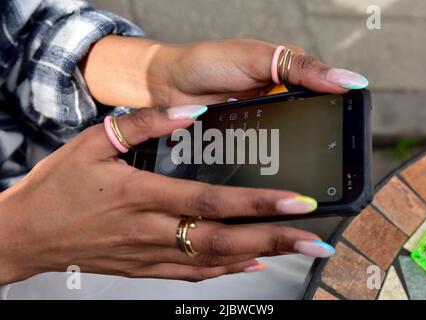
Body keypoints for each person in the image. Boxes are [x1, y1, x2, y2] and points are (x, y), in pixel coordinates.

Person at [0, 0, 369, 286]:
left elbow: (20, 33)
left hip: (75, 162)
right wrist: (18, 238)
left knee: (289, 275)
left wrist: (158, 74)